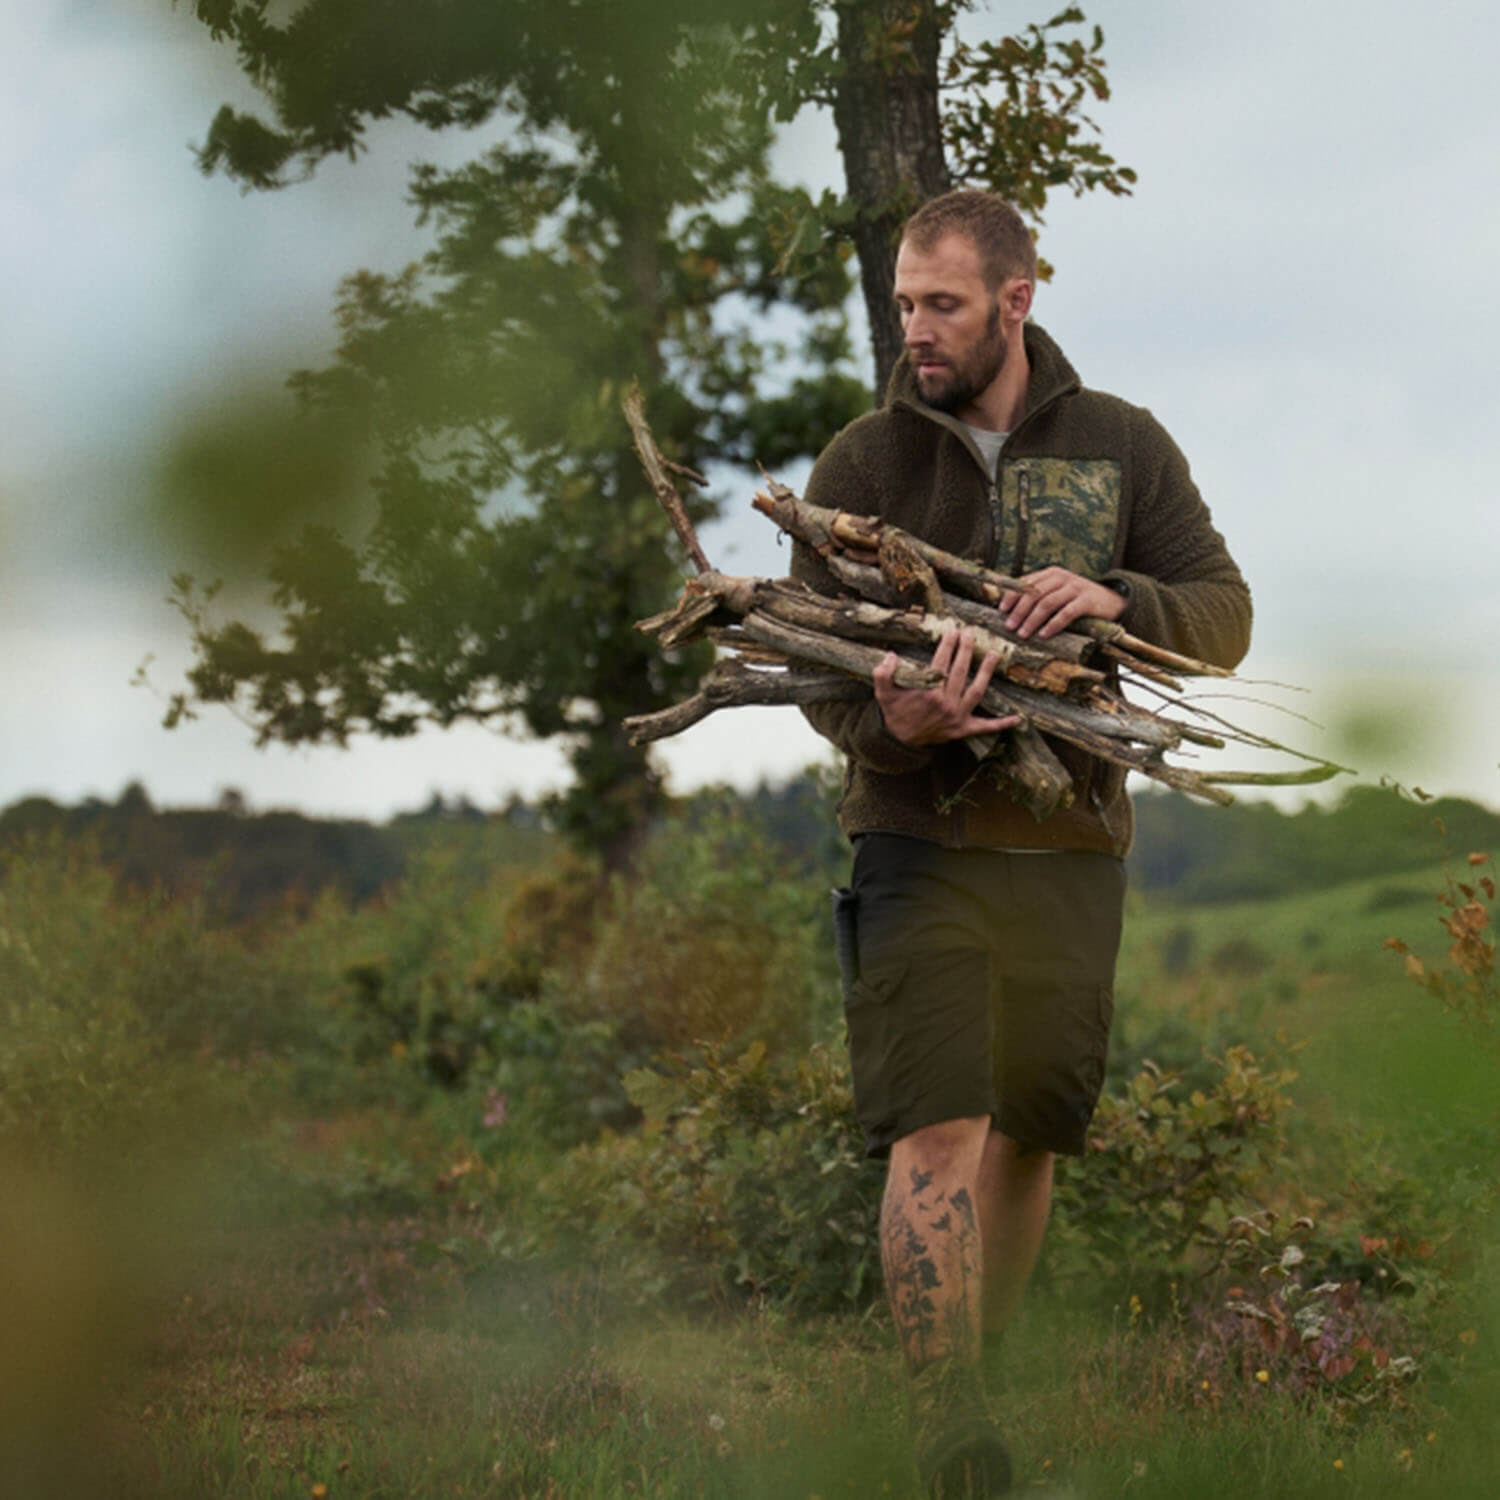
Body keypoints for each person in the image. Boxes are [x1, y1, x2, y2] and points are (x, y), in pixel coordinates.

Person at [792, 189, 1251, 1497]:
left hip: (1070, 849)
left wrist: (1124, 596)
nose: (916, 328)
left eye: (942, 303)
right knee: (935, 1126)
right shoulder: (865, 465)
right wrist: (899, 724)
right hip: (914, 841)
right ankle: (947, 1430)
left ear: (1017, 300)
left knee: (1032, 1131)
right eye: (903, 303)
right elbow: (825, 687)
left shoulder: (1122, 445)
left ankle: (976, 1406)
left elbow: (1226, 617)